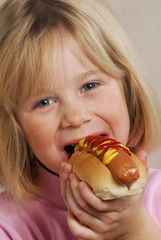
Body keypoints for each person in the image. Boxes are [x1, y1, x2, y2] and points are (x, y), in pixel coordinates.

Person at [0, 0, 161, 239]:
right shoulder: (8, 224)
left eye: (90, 85)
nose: (75, 117)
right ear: (15, 127)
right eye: (44, 102)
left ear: (129, 89)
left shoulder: (157, 194)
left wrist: (135, 231)